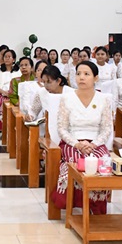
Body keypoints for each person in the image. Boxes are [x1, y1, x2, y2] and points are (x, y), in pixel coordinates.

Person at [51, 61, 114, 215]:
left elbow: (106, 128)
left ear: (96, 78)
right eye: (78, 74)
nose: (81, 77)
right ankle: (73, 202)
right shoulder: (67, 98)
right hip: (72, 142)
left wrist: (94, 144)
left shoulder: (103, 99)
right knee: (77, 161)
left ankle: (96, 205)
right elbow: (62, 128)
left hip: (96, 143)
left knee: (99, 162)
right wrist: (77, 144)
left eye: (86, 74)